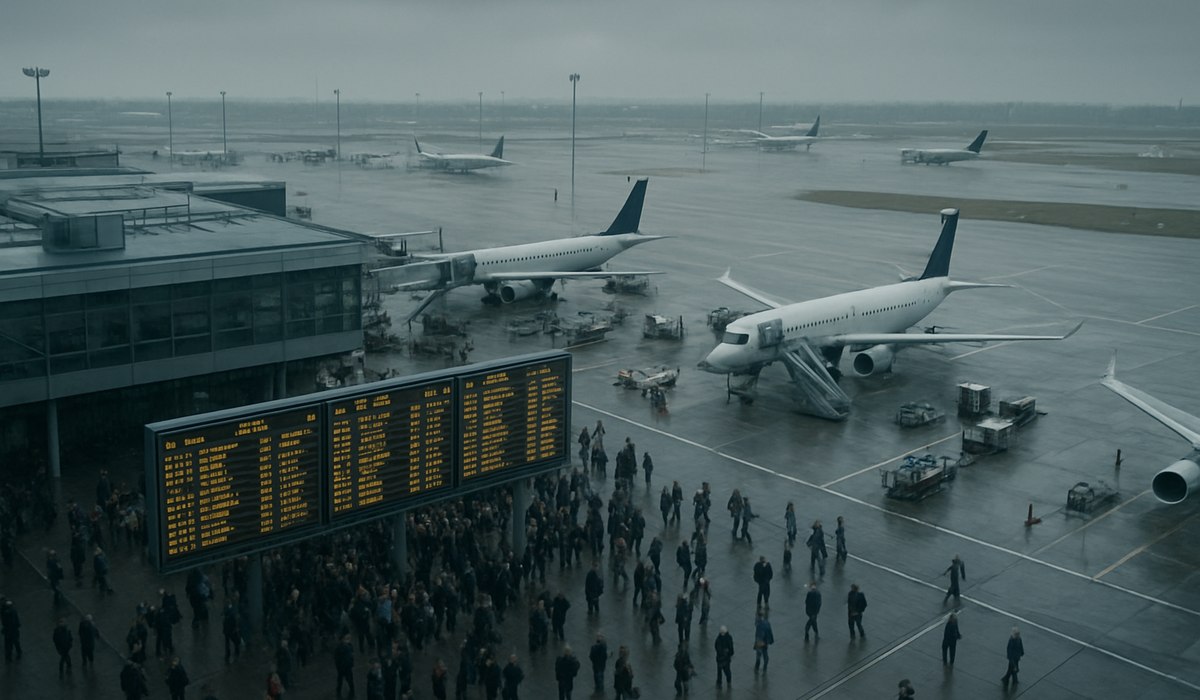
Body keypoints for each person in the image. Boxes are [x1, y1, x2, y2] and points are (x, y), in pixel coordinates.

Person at [335, 633, 356, 698]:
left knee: (342, 680)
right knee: (347, 680)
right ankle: (351, 691)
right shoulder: (346, 647)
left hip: (343, 667)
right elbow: (350, 657)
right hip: (345, 667)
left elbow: (336, 659)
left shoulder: (340, 647)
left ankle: (340, 691)